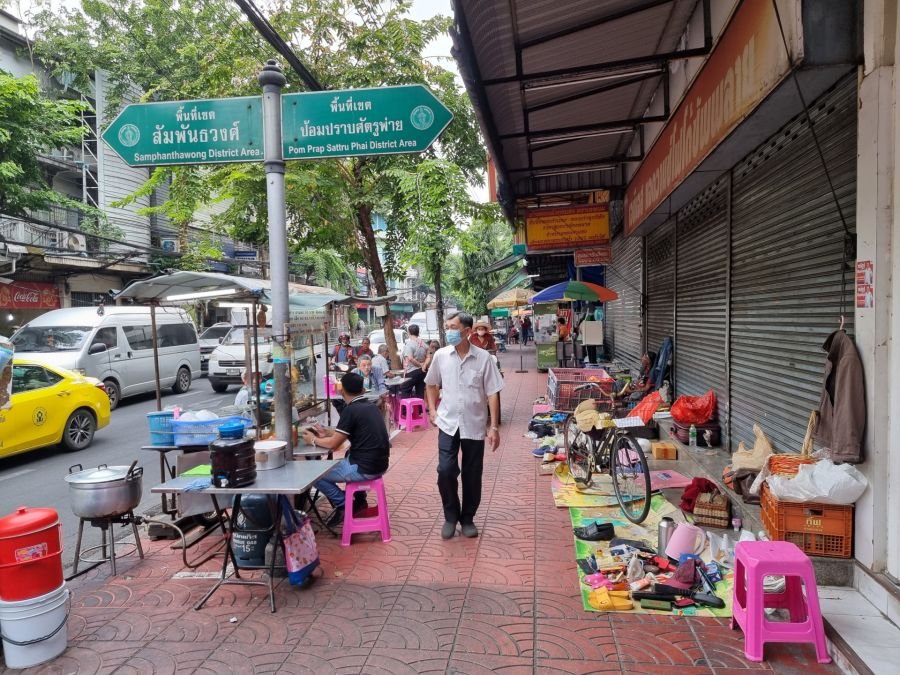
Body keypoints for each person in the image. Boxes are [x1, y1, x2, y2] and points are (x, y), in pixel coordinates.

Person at [425, 312, 504, 539]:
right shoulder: (441, 356)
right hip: (448, 423)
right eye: (447, 326)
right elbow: (431, 384)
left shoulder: (484, 359)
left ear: (467, 332)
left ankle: (467, 518)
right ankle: (451, 515)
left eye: (453, 327)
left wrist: (495, 427)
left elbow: (492, 394)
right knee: (446, 470)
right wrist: (432, 409)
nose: (448, 330)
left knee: (472, 474)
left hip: (474, 423)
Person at [302, 372, 391, 526]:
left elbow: (333, 445)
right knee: (345, 456)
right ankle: (358, 501)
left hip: (363, 468)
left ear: (342, 391)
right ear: (363, 390)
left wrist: (313, 439)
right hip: (380, 464)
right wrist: (327, 432)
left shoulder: (351, 410)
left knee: (314, 474)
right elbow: (348, 434)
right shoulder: (370, 407)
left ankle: (344, 503)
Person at [402, 324, 428, 398]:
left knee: (404, 390)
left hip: (412, 371)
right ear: (418, 332)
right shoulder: (424, 344)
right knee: (420, 392)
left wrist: (420, 365)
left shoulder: (409, 345)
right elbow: (429, 356)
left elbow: (410, 358)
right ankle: (420, 409)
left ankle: (405, 409)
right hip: (422, 371)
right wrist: (424, 365)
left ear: (409, 333)